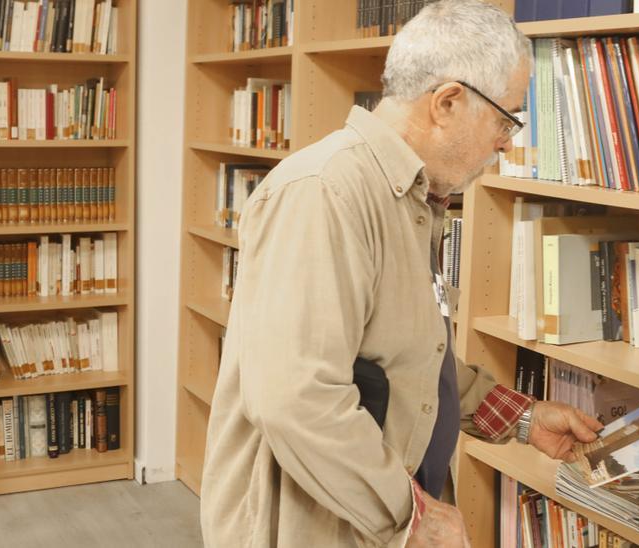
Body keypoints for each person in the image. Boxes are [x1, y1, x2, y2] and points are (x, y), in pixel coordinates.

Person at [198, 2, 604, 547]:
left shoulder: (414, 198)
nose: (506, 141)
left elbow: (407, 362)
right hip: (312, 526)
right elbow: (296, 397)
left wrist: (525, 418)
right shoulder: (325, 192)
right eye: (505, 119)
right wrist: (412, 516)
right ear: (447, 103)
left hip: (372, 512)